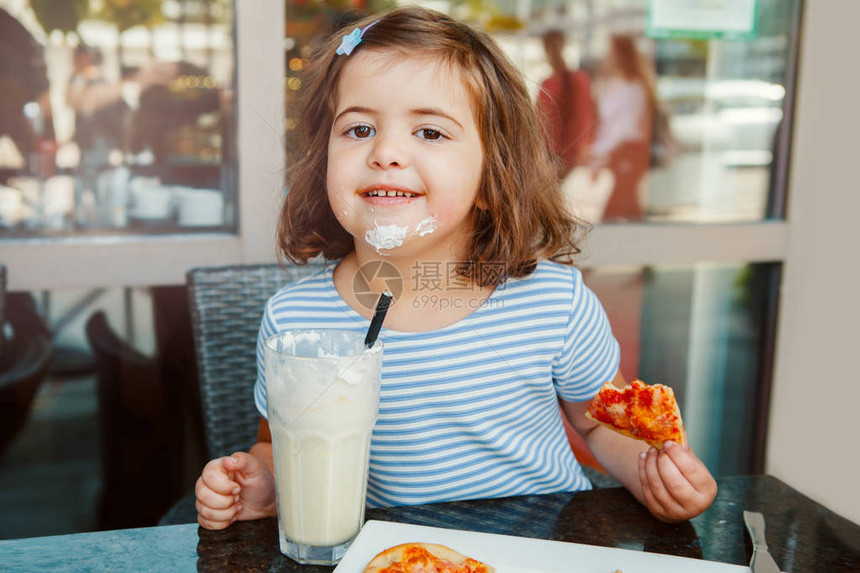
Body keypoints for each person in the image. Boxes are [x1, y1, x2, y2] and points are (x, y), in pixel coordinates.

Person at [194, 7, 717, 529]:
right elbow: (279, 442)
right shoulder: (294, 322)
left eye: (430, 132)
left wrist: (653, 473)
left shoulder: (555, 303)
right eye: (358, 128)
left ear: (493, 180)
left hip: (543, 549)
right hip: (396, 557)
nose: (386, 152)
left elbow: (603, 424)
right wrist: (262, 485)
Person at [590, 35, 656, 221]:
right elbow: (606, 125)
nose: (605, 57)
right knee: (629, 209)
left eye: (609, 53)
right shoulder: (609, 84)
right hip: (615, 154)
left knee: (614, 212)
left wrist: (598, 152)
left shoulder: (633, 88)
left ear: (620, 56)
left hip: (627, 153)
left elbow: (624, 128)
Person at [536, 29, 597, 179]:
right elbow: (588, 117)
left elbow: (539, 123)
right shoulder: (580, 80)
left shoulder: (550, 83)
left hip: (559, 156)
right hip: (570, 155)